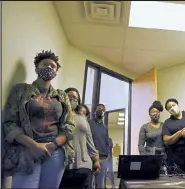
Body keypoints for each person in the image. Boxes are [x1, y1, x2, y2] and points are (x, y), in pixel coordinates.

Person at [2, 50, 75, 189]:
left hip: (55, 152)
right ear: (36, 68)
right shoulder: (21, 90)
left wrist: (53, 145)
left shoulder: (62, 96)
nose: (49, 68)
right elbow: (10, 123)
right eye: (45, 64)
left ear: (56, 71)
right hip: (26, 151)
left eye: (53, 66)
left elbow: (69, 125)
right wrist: (34, 146)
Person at [60, 88, 100, 189]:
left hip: (84, 165)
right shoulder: (58, 116)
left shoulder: (82, 119)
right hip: (63, 167)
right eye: (69, 96)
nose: (72, 99)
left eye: (75, 98)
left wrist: (96, 160)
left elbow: (89, 141)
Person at [89, 104, 110, 189]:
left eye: (102, 109)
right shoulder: (89, 123)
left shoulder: (105, 127)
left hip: (103, 158)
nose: (100, 110)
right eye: (99, 108)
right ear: (95, 111)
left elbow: (107, 141)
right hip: (91, 157)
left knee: (100, 185)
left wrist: (108, 155)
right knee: (90, 184)